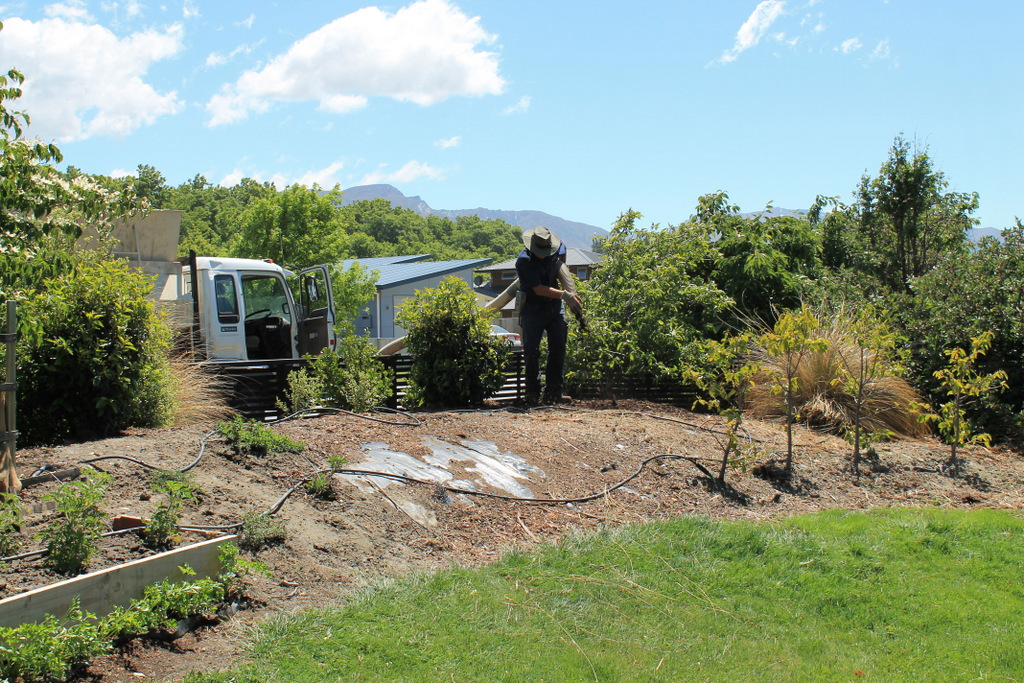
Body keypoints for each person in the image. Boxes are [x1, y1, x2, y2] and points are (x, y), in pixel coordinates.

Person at [515, 226, 583, 405]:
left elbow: (563, 255)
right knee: (531, 351)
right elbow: (538, 289)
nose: (543, 254)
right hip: (533, 308)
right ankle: (532, 393)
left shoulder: (557, 248)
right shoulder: (523, 262)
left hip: (554, 307)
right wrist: (564, 295)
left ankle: (554, 393)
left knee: (558, 348)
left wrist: (566, 283)